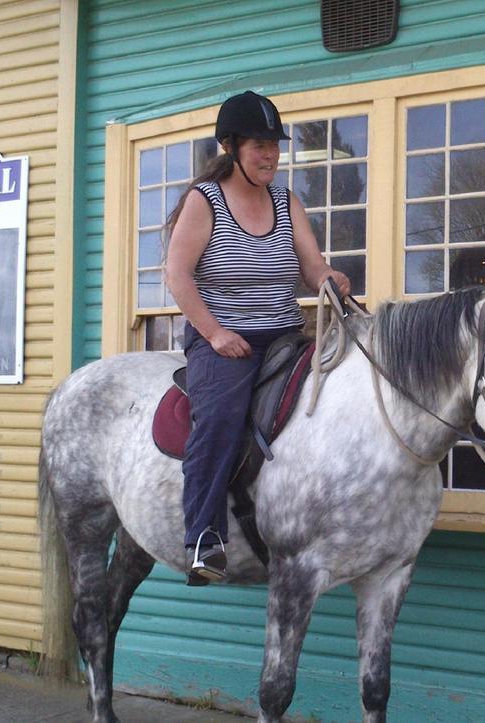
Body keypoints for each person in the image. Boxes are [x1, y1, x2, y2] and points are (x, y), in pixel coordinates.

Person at [163, 90, 350, 585]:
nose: (270, 155)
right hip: (225, 339)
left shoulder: (287, 203)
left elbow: (311, 269)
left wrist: (329, 279)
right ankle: (205, 536)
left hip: (287, 336)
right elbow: (178, 275)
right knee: (221, 417)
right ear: (231, 148)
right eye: (258, 145)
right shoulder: (205, 203)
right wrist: (215, 333)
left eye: (274, 144)